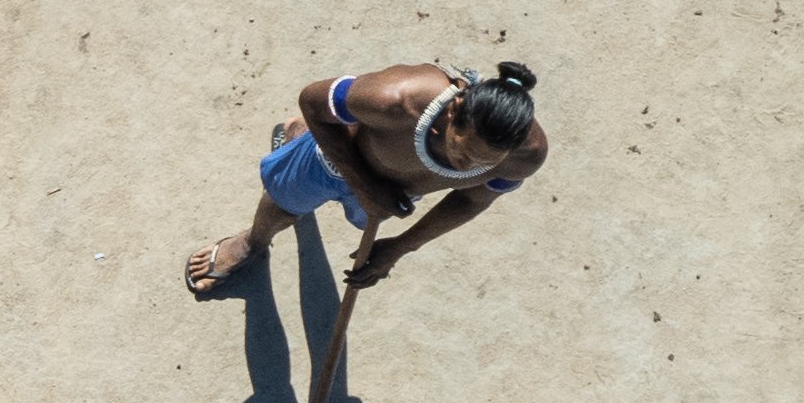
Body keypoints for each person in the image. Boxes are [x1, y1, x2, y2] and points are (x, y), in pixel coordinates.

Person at [182, 61, 553, 298]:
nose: (464, 166)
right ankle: (253, 243)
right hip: (334, 160)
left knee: (341, 208)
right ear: (455, 110)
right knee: (282, 206)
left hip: (391, 198)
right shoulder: (398, 99)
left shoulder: (525, 157)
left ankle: (298, 139)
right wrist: (365, 185)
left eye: (480, 163)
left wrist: (399, 247)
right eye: (462, 149)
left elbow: (472, 200)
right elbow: (312, 100)